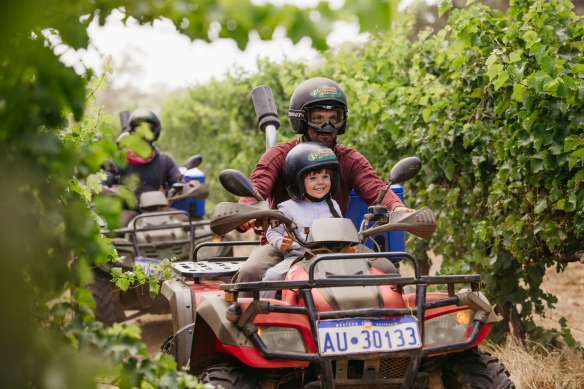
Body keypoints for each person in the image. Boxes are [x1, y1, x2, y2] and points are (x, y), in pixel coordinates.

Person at [233, 77, 412, 291]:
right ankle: (253, 324)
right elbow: (257, 184)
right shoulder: (279, 155)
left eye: (333, 118)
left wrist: (398, 208)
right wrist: (247, 212)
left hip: (340, 244)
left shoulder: (349, 159)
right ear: (301, 120)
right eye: (318, 119)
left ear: (342, 121)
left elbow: (374, 186)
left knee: (389, 273)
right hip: (286, 246)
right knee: (250, 274)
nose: (327, 127)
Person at [261, 142, 354, 298]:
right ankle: (263, 314)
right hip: (298, 256)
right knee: (272, 277)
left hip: (331, 255)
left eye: (325, 176)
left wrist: (347, 247)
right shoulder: (287, 208)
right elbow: (273, 231)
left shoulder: (333, 205)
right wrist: (282, 244)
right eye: (313, 178)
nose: (320, 182)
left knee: (366, 270)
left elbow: (342, 231)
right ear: (296, 181)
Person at [102, 108, 199, 226]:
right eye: (139, 129)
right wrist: (108, 189)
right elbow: (104, 182)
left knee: (186, 222)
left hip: (161, 210)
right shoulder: (120, 161)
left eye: (148, 129)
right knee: (116, 226)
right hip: (132, 211)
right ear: (132, 132)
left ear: (155, 132)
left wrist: (188, 186)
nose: (143, 135)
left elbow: (179, 182)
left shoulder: (165, 160)